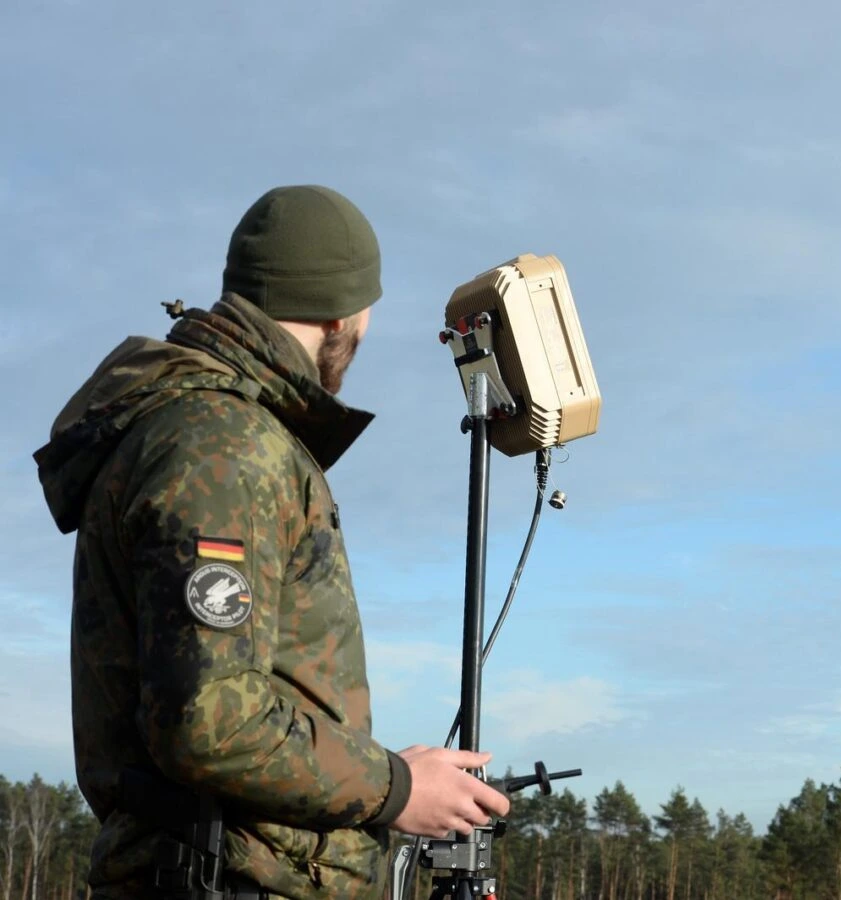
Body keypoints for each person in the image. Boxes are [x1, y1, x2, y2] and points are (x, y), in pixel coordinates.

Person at [33, 185, 510, 899]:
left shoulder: (211, 430)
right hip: (225, 880)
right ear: (342, 314)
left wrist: (384, 774)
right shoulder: (222, 444)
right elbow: (210, 719)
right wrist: (395, 787)